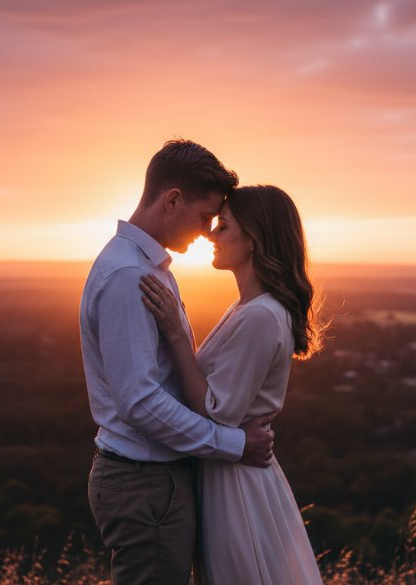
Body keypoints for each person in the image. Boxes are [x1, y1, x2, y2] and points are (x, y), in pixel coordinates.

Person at [79, 140, 276, 585]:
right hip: (145, 484)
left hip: (153, 482)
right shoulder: (130, 276)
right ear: (172, 200)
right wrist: (234, 444)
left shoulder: (146, 268)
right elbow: (140, 402)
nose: (208, 231)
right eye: (205, 216)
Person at [139, 185, 325, 584]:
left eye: (223, 226)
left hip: (237, 484)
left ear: (253, 241)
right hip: (229, 469)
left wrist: (175, 332)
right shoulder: (245, 308)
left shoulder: (260, 316)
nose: (211, 234)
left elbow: (217, 411)